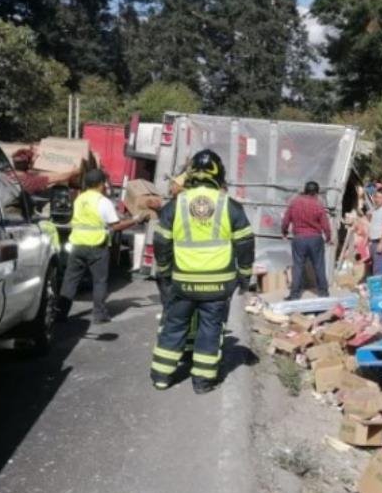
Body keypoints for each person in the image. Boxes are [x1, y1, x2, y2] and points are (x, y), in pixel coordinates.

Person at [149, 149, 254, 393]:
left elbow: (162, 242)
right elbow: (245, 244)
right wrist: (245, 275)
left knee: (174, 327)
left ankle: (161, 377)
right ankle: (202, 382)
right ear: (219, 175)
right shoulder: (230, 206)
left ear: (191, 173)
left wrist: (164, 271)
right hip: (217, 287)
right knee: (210, 330)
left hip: (182, 283)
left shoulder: (177, 205)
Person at [57, 169, 148, 324]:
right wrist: (136, 220)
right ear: (101, 184)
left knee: (70, 280)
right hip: (96, 247)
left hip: (77, 245)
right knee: (99, 281)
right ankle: (99, 315)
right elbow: (116, 226)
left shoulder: (80, 198)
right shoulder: (102, 201)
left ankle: (60, 314)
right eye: (105, 183)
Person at [281, 180, 332, 300]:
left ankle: (294, 294)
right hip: (315, 239)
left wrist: (284, 232)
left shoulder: (295, 203)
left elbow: (286, 220)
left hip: (299, 238)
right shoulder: (318, 205)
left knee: (298, 266)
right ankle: (323, 292)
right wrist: (328, 237)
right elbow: (325, 224)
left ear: (305, 190)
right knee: (319, 265)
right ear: (316, 192)